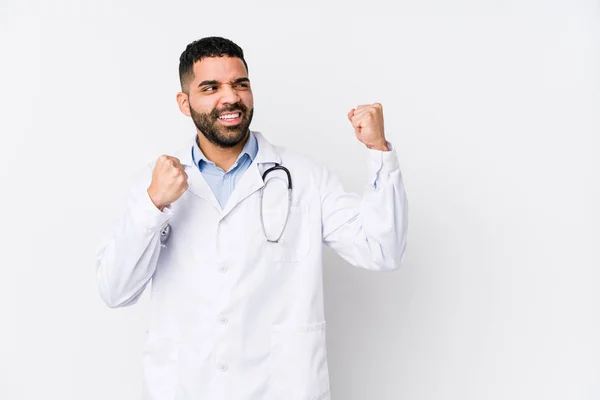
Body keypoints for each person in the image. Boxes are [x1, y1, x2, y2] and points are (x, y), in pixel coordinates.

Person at [96, 36, 408, 400]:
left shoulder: (304, 177)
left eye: (239, 84)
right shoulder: (155, 184)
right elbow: (115, 291)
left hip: (280, 388)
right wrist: (153, 206)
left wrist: (378, 151)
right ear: (185, 103)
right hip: (184, 388)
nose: (229, 98)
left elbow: (382, 251)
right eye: (210, 87)